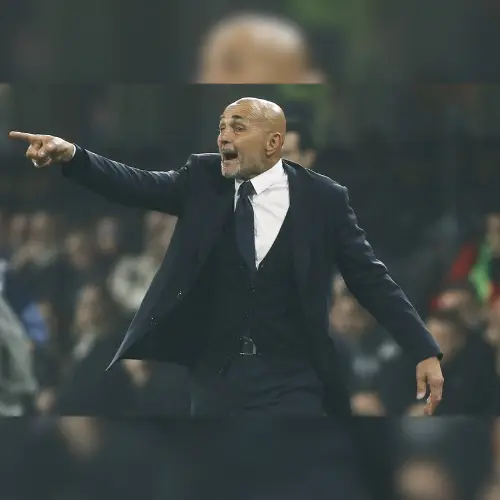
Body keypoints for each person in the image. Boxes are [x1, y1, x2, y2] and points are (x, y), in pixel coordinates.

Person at [8, 97, 444, 419]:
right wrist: (73, 156)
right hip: (216, 375)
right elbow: (136, 184)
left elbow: (371, 279)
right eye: (221, 127)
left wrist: (423, 348)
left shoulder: (324, 199)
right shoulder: (203, 178)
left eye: (237, 127)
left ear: (274, 142)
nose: (223, 137)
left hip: (292, 376)